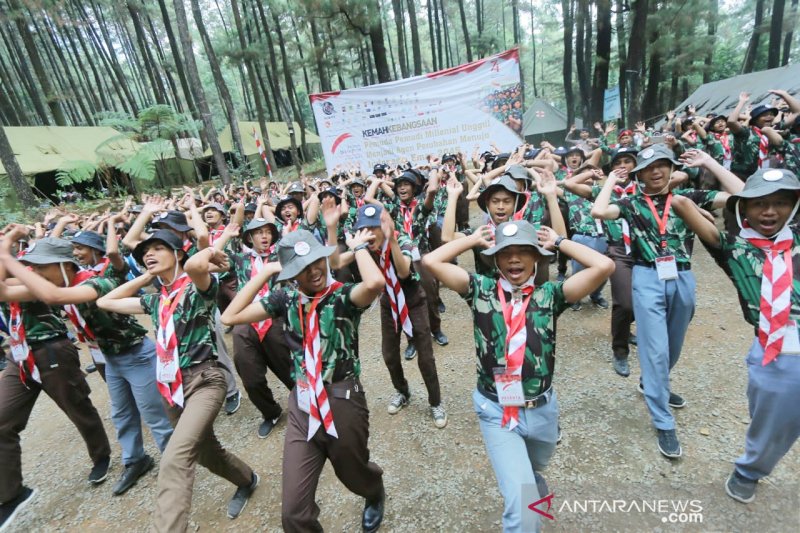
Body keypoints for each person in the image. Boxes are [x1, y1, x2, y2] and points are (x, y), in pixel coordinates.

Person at [422, 220, 614, 532]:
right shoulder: (480, 291)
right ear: (494, 259)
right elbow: (431, 261)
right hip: (497, 410)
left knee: (536, 468)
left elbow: (604, 265)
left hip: (542, 409)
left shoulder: (551, 296)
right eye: (505, 252)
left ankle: (531, 479)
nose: (514, 258)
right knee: (524, 513)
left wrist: (560, 241)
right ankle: (527, 504)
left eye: (524, 251)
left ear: (537, 258)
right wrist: (471, 239)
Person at [221, 229, 386, 533]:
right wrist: (269, 271)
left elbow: (375, 283)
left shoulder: (342, 297)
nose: (313, 271)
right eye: (301, 267)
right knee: (293, 514)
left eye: (316, 262)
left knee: (353, 473)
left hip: (342, 399)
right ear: (291, 275)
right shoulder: (284, 299)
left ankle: (374, 491)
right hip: (302, 404)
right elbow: (230, 317)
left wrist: (359, 246)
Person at [97, 230, 258, 531]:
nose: (149, 254)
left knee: (175, 457)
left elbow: (198, 267)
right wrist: (145, 279)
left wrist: (205, 254)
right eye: (145, 251)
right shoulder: (156, 300)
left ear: (178, 254)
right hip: (171, 388)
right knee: (208, 454)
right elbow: (106, 301)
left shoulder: (198, 289)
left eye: (159, 248)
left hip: (205, 380)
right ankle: (247, 479)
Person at [591, 144, 742, 458]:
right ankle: (663, 419)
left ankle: (653, 383)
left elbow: (744, 196)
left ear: (672, 169)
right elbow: (599, 211)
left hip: (682, 275)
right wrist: (611, 181)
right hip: (646, 276)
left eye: (662, 165)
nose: (656, 171)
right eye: (649, 167)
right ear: (640, 174)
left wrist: (710, 163)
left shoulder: (688, 198)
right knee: (655, 349)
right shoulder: (631, 203)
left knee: (673, 345)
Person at [0, 231, 173, 496]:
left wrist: (6, 256)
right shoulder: (60, 284)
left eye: (42, 268)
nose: (36, 273)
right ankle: (136, 460)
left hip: (136, 354)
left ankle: (176, 467)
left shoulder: (95, 283)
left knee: (154, 416)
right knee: (122, 415)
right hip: (110, 357)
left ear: (65, 266)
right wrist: (7, 246)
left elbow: (53, 297)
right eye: (33, 268)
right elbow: (3, 291)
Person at [668, 167, 800, 505]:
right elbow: (682, 202)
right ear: (743, 208)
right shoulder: (733, 248)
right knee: (773, 421)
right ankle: (750, 469)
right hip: (780, 351)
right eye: (759, 205)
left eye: (781, 203)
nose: (770, 212)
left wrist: (754, 196)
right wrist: (729, 192)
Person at [0, 238, 112, 531]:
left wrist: (7, 254)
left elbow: (43, 292)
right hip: (19, 355)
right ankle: (10, 494)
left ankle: (101, 455)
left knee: (77, 407)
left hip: (50, 350)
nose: (34, 268)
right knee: (1, 420)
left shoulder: (41, 280)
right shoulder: (24, 273)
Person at [333, 203, 447, 427]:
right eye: (363, 229)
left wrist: (392, 240)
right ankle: (402, 391)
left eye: (373, 228)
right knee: (389, 355)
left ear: (383, 227)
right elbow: (335, 263)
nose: (368, 234)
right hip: (389, 304)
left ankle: (436, 402)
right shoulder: (363, 248)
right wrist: (331, 228)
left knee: (425, 357)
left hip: (413, 301)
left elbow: (404, 271)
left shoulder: (400, 239)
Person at [218, 218, 294, 438]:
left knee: (289, 367)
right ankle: (270, 411)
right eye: (258, 232)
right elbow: (207, 260)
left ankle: (307, 402)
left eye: (267, 232)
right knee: (249, 374)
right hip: (245, 319)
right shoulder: (239, 260)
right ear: (249, 238)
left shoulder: (280, 257)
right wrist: (225, 237)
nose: (264, 236)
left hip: (275, 318)